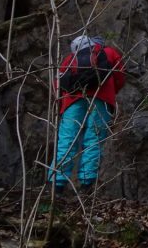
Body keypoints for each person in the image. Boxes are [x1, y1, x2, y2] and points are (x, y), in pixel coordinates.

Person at [50, 34, 126, 196]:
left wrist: (63, 102)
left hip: (71, 102)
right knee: (93, 140)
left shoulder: (69, 59)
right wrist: (111, 93)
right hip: (101, 98)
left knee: (67, 140)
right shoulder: (109, 52)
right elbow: (120, 77)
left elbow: (57, 85)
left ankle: (57, 185)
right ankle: (86, 185)